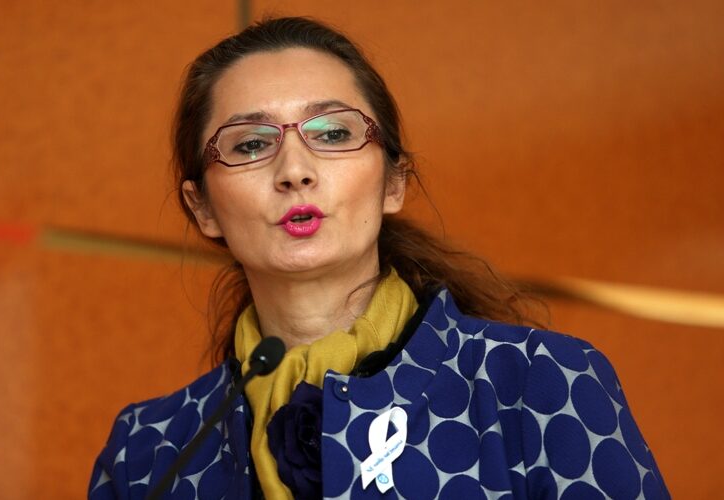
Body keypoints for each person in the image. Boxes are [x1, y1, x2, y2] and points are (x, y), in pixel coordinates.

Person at [89, 17, 669, 500]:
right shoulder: (148, 451)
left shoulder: (537, 384)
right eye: (252, 144)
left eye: (332, 134)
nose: (294, 170)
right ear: (203, 208)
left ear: (394, 182)